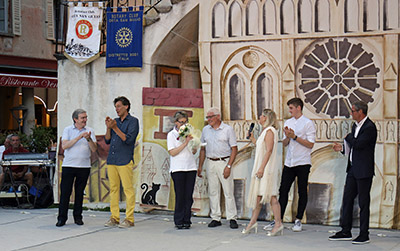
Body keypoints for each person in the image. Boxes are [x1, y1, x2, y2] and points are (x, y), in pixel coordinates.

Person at [329, 101, 377, 245]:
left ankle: (364, 234)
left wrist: (348, 137)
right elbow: (353, 148)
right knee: (347, 199)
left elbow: (359, 144)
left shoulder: (369, 127)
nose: (351, 113)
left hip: (364, 171)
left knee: (363, 203)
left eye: (353, 111)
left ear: (361, 112)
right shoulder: (355, 126)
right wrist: (342, 148)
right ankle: (346, 230)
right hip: (352, 169)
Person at [265, 98, 316, 232]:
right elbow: (285, 143)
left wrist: (295, 137)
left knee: (302, 191)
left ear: (299, 108)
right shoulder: (288, 122)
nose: (290, 110)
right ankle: (278, 219)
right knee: (283, 190)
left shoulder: (308, 123)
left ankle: (298, 219)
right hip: (290, 162)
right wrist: (288, 137)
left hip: (303, 162)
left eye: (291, 108)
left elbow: (310, 144)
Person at [242, 109, 283, 236]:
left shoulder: (270, 131)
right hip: (261, 167)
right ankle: (252, 222)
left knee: (271, 196)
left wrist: (262, 168)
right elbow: (261, 147)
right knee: (258, 196)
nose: (259, 117)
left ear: (265, 117)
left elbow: (269, 151)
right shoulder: (265, 131)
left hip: (266, 169)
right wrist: (253, 139)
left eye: (261, 115)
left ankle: (278, 224)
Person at [198, 107, 239, 229]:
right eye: (208, 117)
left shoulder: (227, 130)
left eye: (211, 117)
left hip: (223, 161)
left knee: (228, 191)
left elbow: (234, 149)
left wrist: (229, 166)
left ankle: (232, 217)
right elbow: (203, 149)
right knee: (213, 191)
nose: (209, 119)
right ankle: (215, 217)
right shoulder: (205, 130)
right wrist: (200, 166)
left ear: (218, 117)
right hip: (210, 161)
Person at [56, 109, 97, 227]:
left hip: (84, 166)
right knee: (65, 193)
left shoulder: (90, 131)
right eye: (82, 118)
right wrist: (79, 137)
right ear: (75, 119)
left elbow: (94, 149)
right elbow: (64, 145)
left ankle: (78, 217)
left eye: (85, 117)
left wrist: (88, 138)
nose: (85, 120)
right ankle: (62, 218)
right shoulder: (68, 130)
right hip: (69, 165)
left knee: (79, 193)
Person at [104, 96, 139, 228]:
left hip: (124, 159)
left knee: (128, 190)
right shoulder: (115, 121)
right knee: (113, 189)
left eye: (119, 106)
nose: (117, 109)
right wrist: (109, 127)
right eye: (115, 107)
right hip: (112, 159)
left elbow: (128, 140)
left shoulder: (133, 121)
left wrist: (115, 128)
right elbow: (107, 140)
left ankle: (129, 219)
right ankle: (114, 217)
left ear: (126, 106)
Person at [167, 111, 197, 229]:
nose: (183, 125)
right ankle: (178, 220)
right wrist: (185, 143)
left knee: (188, 196)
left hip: (190, 167)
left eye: (186, 122)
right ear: (176, 122)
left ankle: (187, 219)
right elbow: (173, 152)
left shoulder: (189, 134)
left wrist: (193, 144)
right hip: (178, 168)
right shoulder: (172, 135)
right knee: (180, 195)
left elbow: (193, 151)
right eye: (181, 122)